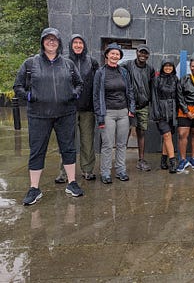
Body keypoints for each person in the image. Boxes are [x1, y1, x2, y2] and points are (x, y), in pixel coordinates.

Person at [13, 27, 84, 205]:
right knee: (37, 150)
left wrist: (74, 94)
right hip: (39, 115)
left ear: (59, 43)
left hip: (65, 114)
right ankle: (34, 188)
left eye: (55, 39)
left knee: (68, 148)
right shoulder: (30, 63)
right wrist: (30, 96)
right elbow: (18, 86)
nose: (51, 42)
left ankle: (72, 183)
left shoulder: (68, 64)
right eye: (48, 39)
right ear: (43, 42)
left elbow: (79, 83)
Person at [55, 34, 99, 183]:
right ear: (70, 45)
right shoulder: (64, 62)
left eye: (81, 42)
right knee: (67, 141)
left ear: (84, 45)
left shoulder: (92, 62)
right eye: (75, 43)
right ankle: (64, 172)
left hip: (87, 109)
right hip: (68, 109)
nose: (78, 45)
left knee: (87, 141)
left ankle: (87, 170)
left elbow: (97, 85)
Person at [93, 43, 135, 184]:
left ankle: (120, 170)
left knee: (122, 144)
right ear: (107, 55)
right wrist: (99, 115)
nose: (115, 56)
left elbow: (129, 91)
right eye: (112, 53)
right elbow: (96, 96)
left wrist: (131, 109)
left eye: (117, 54)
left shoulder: (123, 72)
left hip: (123, 112)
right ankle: (105, 172)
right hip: (108, 113)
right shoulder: (100, 73)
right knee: (107, 144)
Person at [122, 45, 154, 171]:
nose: (143, 55)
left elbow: (151, 86)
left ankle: (141, 160)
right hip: (129, 105)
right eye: (141, 52)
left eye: (145, 53)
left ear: (148, 55)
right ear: (136, 52)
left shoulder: (150, 69)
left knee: (142, 133)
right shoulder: (127, 65)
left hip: (143, 106)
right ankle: (120, 161)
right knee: (125, 133)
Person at [151, 58, 179, 173]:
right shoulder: (156, 79)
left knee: (167, 136)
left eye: (170, 66)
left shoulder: (175, 79)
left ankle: (163, 160)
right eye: (166, 66)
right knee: (167, 135)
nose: (168, 68)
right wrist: (156, 112)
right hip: (161, 111)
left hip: (172, 112)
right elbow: (154, 96)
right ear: (162, 67)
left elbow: (178, 96)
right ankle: (173, 162)